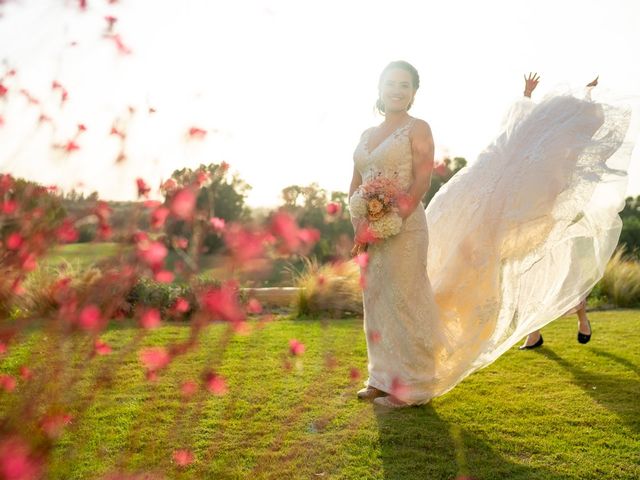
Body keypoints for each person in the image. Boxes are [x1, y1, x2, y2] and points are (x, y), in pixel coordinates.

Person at [350, 61, 638, 408]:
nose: (397, 90)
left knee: (405, 301)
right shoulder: (367, 135)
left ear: (413, 92)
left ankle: (413, 382)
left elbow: (421, 181)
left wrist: (392, 221)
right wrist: (362, 227)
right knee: (376, 301)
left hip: (404, 228)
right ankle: (380, 379)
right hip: (371, 231)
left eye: (405, 85)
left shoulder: (418, 128)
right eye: (391, 83)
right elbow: (357, 182)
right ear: (380, 88)